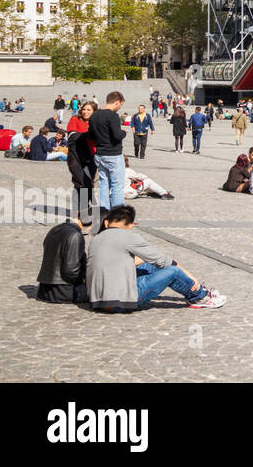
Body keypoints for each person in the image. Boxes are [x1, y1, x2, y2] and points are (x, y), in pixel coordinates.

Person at [87, 205, 226, 311]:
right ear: (130, 225)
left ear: (106, 223)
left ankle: (198, 291)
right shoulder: (130, 237)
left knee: (148, 265)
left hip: (97, 300)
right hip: (120, 301)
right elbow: (163, 261)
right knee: (173, 271)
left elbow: (115, 263)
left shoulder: (96, 239)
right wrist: (190, 275)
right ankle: (200, 296)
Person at [89, 91, 128, 213]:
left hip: (100, 154)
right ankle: (118, 214)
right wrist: (124, 133)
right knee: (117, 185)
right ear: (116, 102)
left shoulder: (94, 115)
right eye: (120, 105)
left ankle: (103, 212)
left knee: (103, 184)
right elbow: (117, 135)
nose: (119, 108)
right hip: (113, 155)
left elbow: (91, 136)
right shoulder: (113, 116)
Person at [36, 216, 87, 304]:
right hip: (65, 291)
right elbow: (71, 271)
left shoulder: (55, 229)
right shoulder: (75, 235)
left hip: (45, 289)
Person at [65, 101, 96, 223]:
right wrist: (90, 135)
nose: (85, 112)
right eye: (84, 109)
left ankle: (84, 210)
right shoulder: (75, 120)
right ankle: (77, 211)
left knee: (88, 184)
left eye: (89, 110)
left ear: (94, 112)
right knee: (80, 183)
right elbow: (72, 136)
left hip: (92, 157)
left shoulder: (95, 122)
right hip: (76, 157)